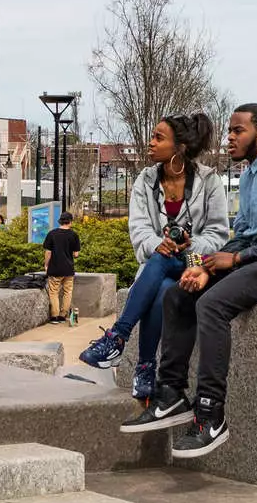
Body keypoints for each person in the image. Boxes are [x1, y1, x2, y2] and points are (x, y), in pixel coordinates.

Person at [120, 103, 257, 456]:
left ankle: (210, 414)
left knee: (213, 304)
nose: (229, 138)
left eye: (238, 131)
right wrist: (205, 266)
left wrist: (235, 259)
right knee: (178, 294)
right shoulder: (249, 175)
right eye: (229, 131)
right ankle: (171, 393)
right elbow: (243, 234)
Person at [80, 114, 231, 391]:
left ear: (180, 147)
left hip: (197, 263)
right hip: (158, 263)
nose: (150, 143)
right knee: (162, 284)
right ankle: (145, 370)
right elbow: (138, 229)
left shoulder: (209, 181)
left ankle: (120, 340)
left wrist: (189, 244)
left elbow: (219, 234)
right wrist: (158, 244)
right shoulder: (145, 180)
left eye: (159, 138)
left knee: (164, 262)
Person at [42, 213, 81, 322]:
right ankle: (63, 315)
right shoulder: (74, 235)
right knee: (67, 292)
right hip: (68, 269)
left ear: (60, 221)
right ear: (70, 221)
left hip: (55, 268)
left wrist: (46, 265)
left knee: (53, 292)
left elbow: (48, 252)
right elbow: (76, 254)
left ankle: (54, 316)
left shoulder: (52, 234)